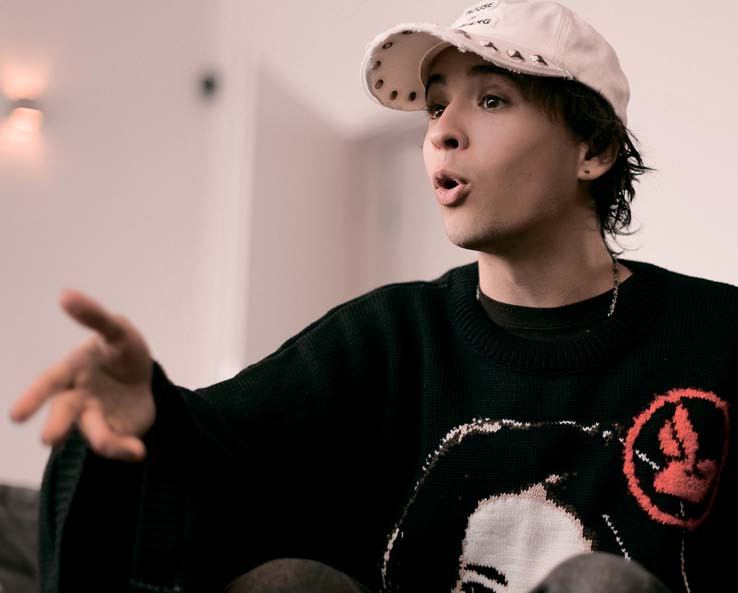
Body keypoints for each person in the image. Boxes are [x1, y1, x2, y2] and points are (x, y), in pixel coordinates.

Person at [9, 1, 735, 592]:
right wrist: (150, 418)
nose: (443, 132)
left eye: (490, 99)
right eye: (435, 106)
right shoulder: (386, 337)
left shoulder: (717, 334)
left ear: (592, 150)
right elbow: (222, 453)